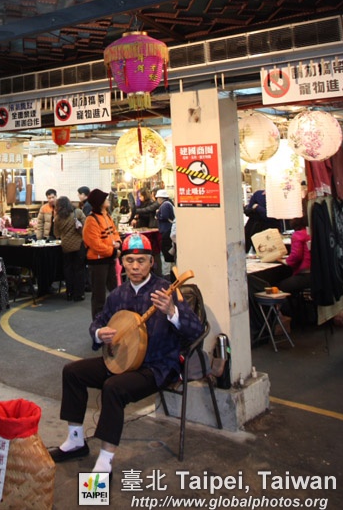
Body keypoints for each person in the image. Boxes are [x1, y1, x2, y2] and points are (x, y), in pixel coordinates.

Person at [49, 233, 204, 476]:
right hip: (122, 360)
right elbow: (98, 321)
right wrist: (99, 333)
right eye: (130, 260)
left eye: (141, 261)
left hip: (156, 366)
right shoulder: (118, 294)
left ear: (151, 262)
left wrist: (172, 311)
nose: (135, 266)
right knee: (73, 372)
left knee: (113, 388)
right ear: (122, 262)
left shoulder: (166, 291)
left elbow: (196, 330)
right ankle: (76, 440)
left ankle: (105, 460)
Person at [82, 189, 121, 318]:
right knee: (99, 296)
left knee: (115, 291)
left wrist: (118, 242)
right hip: (97, 262)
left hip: (108, 259)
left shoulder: (106, 215)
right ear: (100, 202)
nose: (108, 200)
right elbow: (95, 244)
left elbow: (114, 232)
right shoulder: (91, 220)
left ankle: (115, 318)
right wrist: (113, 251)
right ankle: (98, 322)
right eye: (105, 199)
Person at [279, 213, 312, 327]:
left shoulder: (298, 235)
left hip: (305, 274)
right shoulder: (310, 232)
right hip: (316, 274)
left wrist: (285, 261)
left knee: (281, 286)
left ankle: (291, 317)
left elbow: (296, 256)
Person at [54, 195, 86, 301]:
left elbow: (56, 233)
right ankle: (79, 294)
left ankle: (69, 292)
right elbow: (86, 225)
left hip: (66, 246)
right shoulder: (78, 212)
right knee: (79, 270)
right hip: (79, 245)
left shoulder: (58, 218)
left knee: (68, 270)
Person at [155, 189, 175, 264]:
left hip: (166, 230)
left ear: (160, 198)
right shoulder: (168, 204)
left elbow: (164, 216)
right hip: (167, 230)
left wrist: (157, 215)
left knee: (166, 249)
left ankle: (167, 267)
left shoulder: (165, 205)